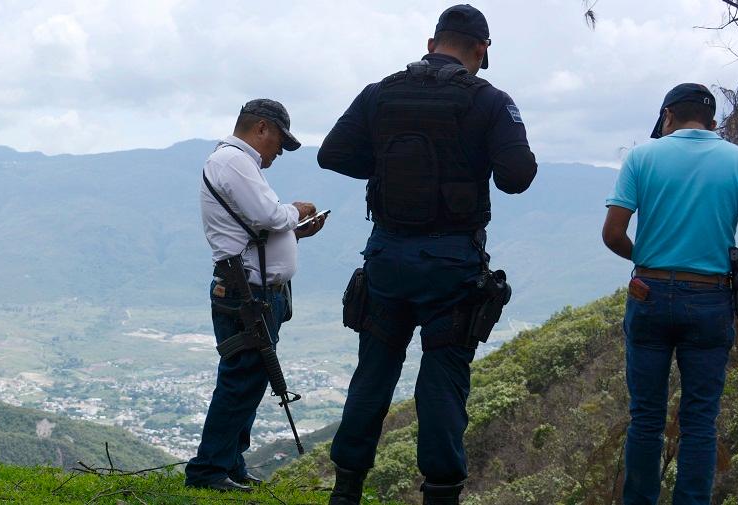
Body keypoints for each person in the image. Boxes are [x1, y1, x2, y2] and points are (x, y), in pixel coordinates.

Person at [317, 5, 537, 504]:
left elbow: (331, 154)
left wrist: (392, 166)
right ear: (482, 50)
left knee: (372, 373)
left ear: (432, 41)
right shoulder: (489, 101)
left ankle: (346, 491)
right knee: (441, 384)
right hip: (451, 266)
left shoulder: (380, 93)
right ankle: (440, 494)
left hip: (387, 260)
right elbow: (517, 176)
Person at [603, 83, 738, 504]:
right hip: (710, 300)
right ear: (713, 124)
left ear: (667, 117)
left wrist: (650, 261)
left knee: (645, 419)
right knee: (699, 422)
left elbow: (612, 233)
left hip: (648, 294)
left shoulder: (642, 157)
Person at [185, 98, 326, 492]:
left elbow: (257, 230)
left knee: (250, 378)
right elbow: (269, 216)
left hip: (255, 290)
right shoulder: (233, 161)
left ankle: (229, 461)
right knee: (241, 380)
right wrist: (296, 211)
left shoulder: (237, 163)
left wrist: (294, 233)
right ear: (261, 128)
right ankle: (208, 470)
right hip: (246, 293)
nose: (278, 152)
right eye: (279, 141)